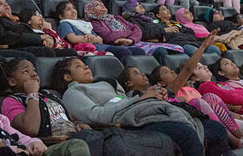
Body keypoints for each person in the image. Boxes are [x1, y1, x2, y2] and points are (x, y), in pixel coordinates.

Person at [53, 57, 230, 156]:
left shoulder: (108, 83)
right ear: (67, 77)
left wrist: (152, 96)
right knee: (186, 134)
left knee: (216, 129)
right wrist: (142, 99)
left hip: (146, 110)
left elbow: (127, 98)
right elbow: (97, 115)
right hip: (131, 121)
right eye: (78, 66)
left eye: (85, 64)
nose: (86, 68)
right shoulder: (73, 93)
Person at [118, 33, 243, 148]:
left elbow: (187, 70)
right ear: (128, 83)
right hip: (174, 124)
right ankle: (235, 140)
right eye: (136, 73)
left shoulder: (165, 91)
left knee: (209, 105)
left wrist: (203, 46)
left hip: (194, 120)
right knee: (198, 103)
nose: (143, 74)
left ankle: (236, 138)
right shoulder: (132, 98)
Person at [84, 0, 184, 61]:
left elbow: (137, 29)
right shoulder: (95, 23)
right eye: (97, 5)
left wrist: (131, 39)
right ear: (91, 10)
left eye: (102, 3)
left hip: (134, 41)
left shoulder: (117, 17)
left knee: (178, 48)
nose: (102, 5)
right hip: (123, 44)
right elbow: (108, 36)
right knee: (161, 51)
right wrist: (129, 34)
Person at [0, 0, 77, 57]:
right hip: (17, 47)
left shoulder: (18, 19)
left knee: (71, 53)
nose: (6, 4)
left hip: (34, 44)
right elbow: (4, 37)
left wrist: (49, 38)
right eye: (0, 4)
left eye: (6, 2)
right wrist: (39, 38)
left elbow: (36, 30)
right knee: (47, 52)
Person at [56, 1, 146, 61]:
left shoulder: (83, 23)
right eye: (68, 9)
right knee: (124, 52)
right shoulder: (64, 23)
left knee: (139, 52)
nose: (73, 11)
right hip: (89, 49)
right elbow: (73, 39)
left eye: (73, 8)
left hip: (101, 46)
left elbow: (100, 40)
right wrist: (89, 37)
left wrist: (91, 37)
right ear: (60, 16)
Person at [18, 9, 109, 57]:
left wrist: (50, 30)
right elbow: (51, 45)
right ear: (29, 21)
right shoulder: (32, 33)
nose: (40, 17)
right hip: (64, 52)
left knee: (108, 55)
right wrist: (48, 31)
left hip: (70, 48)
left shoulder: (48, 29)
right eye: (36, 15)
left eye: (40, 14)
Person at [153, 5, 221, 56]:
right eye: (164, 9)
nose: (168, 10)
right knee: (194, 51)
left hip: (192, 41)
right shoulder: (157, 25)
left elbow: (189, 32)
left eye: (167, 8)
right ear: (158, 15)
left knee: (214, 49)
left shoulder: (176, 23)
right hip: (179, 43)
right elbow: (157, 35)